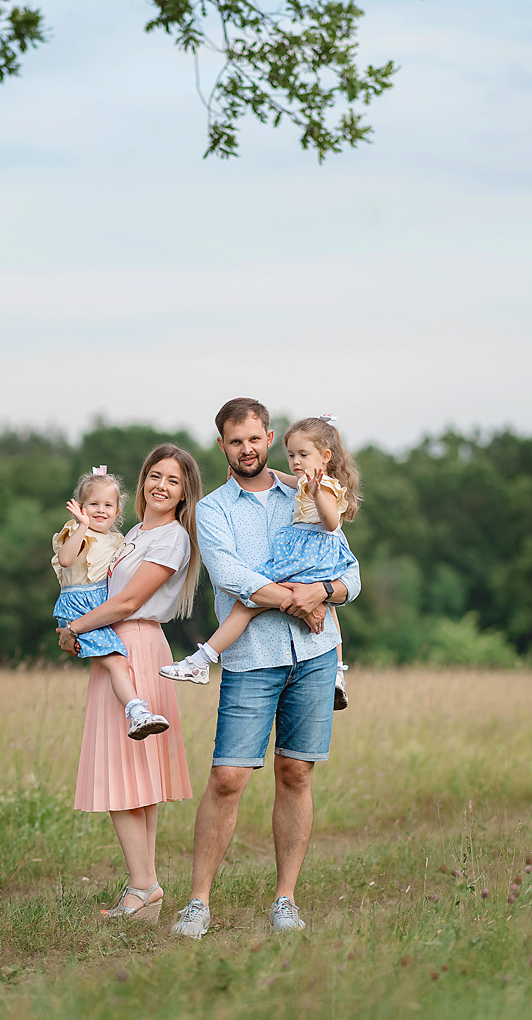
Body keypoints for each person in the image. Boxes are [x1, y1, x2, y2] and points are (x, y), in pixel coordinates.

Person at [171, 399, 361, 939]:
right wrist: (297, 600)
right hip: (252, 658)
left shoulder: (304, 487)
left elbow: (350, 573)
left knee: (295, 773)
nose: (246, 450)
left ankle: (285, 899)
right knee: (228, 776)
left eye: (255, 439)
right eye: (236, 442)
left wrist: (323, 591)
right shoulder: (211, 511)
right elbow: (232, 577)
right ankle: (198, 903)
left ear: (269, 437)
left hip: (315, 656)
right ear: (222, 446)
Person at [57, 444, 202, 923]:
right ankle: (147, 884)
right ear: (142, 482)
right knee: (137, 775)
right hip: (118, 641)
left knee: (123, 775)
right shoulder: (135, 531)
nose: (161, 486)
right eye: (154, 476)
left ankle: (142, 887)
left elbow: (128, 601)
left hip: (133, 641)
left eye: (173, 481)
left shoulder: (172, 539)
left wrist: (74, 628)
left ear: (184, 494)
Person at [160, 415, 360, 709]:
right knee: (284, 598)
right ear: (223, 445)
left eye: (303, 455)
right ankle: (339, 673)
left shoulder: (323, 486)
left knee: (250, 598)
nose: (296, 462)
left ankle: (203, 659)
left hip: (308, 554)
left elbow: (333, 525)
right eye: (292, 455)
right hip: (303, 564)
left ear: (325, 456)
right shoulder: (296, 484)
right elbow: (280, 478)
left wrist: (317, 494)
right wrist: (304, 600)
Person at [53, 468, 156, 734]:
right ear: (81, 507)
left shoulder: (118, 540)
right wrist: (82, 526)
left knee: (119, 661)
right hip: (79, 606)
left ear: (118, 510)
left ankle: (136, 709)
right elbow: (65, 559)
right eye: (93, 504)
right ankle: (136, 710)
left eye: (108, 505)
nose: (101, 510)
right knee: (116, 661)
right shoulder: (76, 531)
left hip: (101, 604)